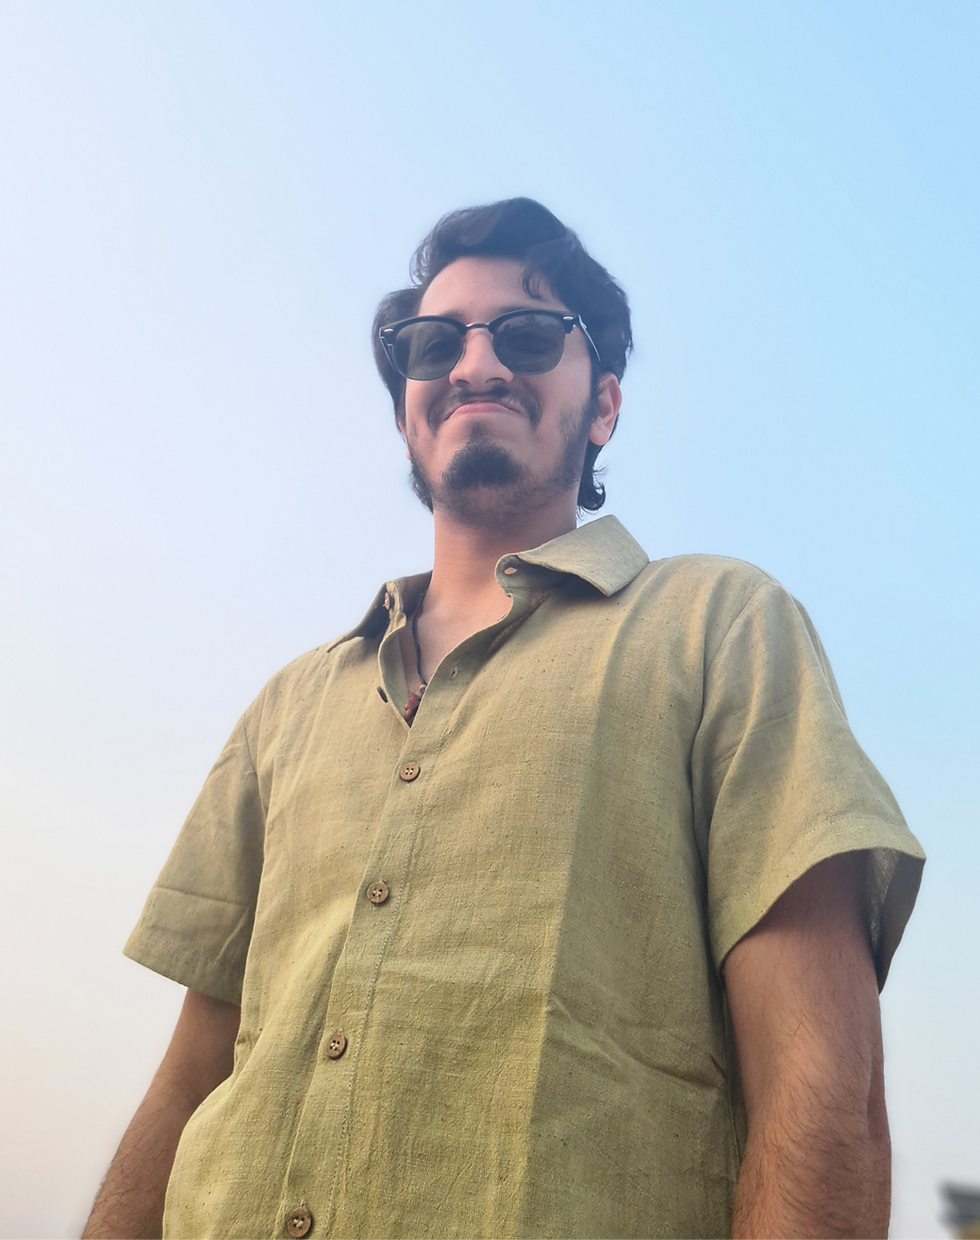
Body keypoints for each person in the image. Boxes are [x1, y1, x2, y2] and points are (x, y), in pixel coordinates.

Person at [83, 197, 924, 1240]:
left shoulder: (718, 627)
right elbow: (188, 1080)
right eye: (433, 344)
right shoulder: (287, 705)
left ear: (603, 405)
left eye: (525, 335)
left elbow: (822, 1078)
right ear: (408, 410)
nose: (474, 364)